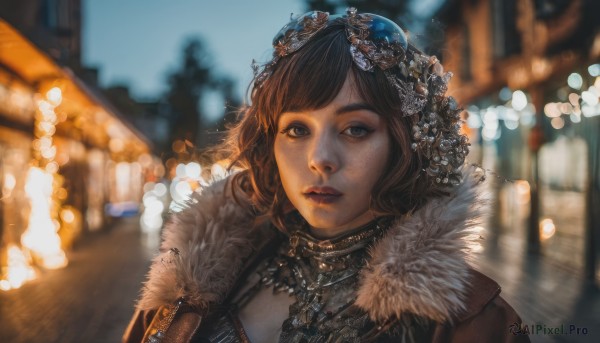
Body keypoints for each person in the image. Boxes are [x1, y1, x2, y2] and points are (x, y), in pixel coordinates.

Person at [123, 8, 529, 343]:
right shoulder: (187, 286)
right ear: (270, 144)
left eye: (356, 129)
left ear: (403, 144)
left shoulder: (475, 322)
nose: (320, 159)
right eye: (297, 130)